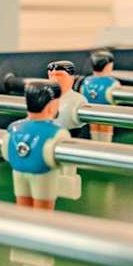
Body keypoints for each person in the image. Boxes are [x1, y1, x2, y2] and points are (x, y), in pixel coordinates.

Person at [1, 81, 70, 210]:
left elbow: (6, 152)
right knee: (42, 212)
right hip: (43, 174)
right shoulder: (56, 132)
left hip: (19, 172)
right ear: (51, 106)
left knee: (22, 207)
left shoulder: (14, 128)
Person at [47, 60, 89, 200]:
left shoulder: (78, 99)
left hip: (70, 134)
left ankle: (68, 188)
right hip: (52, 133)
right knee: (52, 161)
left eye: (59, 75)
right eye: (51, 75)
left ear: (71, 78)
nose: (55, 79)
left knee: (69, 165)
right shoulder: (48, 97)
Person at [80, 51, 120, 142]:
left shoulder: (86, 81)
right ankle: (105, 146)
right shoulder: (112, 83)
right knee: (105, 129)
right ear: (108, 66)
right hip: (106, 112)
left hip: (91, 111)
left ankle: (96, 145)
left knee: (94, 127)